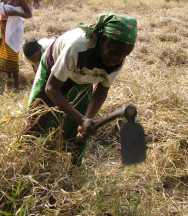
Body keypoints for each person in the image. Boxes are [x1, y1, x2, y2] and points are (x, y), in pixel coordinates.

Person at [24, 13, 137, 165]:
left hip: (84, 76)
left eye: (124, 56)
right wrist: (81, 119)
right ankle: (25, 155)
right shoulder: (77, 46)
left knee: (81, 121)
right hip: (55, 71)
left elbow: (102, 91)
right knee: (39, 115)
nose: (118, 60)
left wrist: (85, 122)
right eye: (115, 54)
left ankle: (74, 164)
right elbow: (51, 89)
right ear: (103, 40)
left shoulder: (117, 58)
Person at [0, 0, 32, 92]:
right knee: (5, 56)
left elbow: (29, 14)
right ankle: (9, 80)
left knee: (12, 56)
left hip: (14, 30)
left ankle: (16, 85)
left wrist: (16, 13)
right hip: (3, 28)